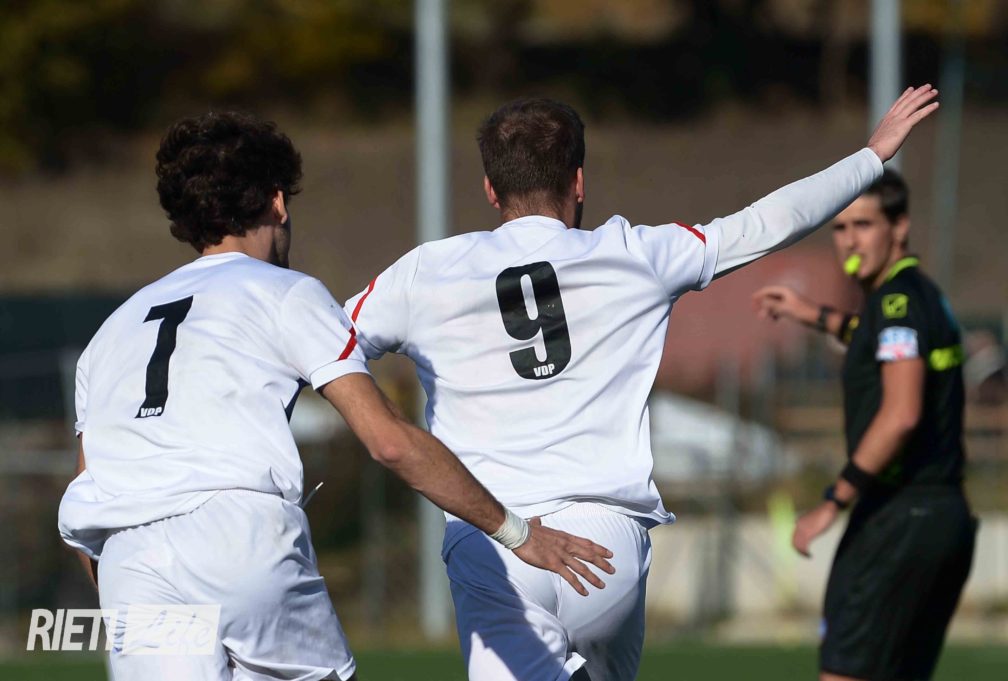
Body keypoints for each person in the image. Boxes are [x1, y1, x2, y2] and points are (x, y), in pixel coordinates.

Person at [342, 86, 940, 680]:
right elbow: (765, 223)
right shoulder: (635, 253)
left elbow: (326, 348)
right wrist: (871, 157)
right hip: (607, 546)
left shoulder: (424, 273)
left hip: (496, 540)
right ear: (578, 182)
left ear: (490, 190)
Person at [57, 111, 612, 681]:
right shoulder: (284, 292)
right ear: (277, 202)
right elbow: (390, 442)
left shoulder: (110, 334)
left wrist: (133, 586)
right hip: (238, 534)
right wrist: (516, 533)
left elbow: (86, 487)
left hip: (128, 561)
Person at [753, 169, 976, 681]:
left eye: (865, 225)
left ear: (900, 228)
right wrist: (814, 315)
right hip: (944, 517)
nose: (850, 240)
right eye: (841, 227)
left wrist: (833, 501)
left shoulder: (897, 303)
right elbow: (882, 341)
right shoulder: (917, 297)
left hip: (898, 518)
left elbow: (901, 414)